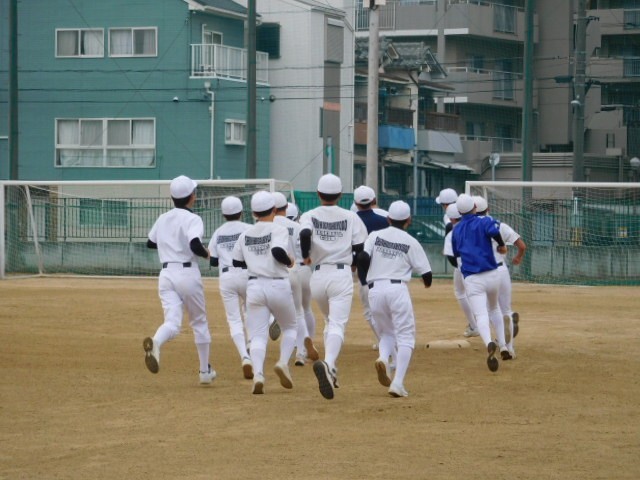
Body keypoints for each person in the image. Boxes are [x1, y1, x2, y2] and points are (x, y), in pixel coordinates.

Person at [299, 173, 368, 400]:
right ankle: (328, 364)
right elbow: (360, 247)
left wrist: (305, 255)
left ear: (318, 194)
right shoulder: (351, 216)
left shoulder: (309, 215)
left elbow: (305, 233)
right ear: (340, 195)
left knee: (329, 321)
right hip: (341, 273)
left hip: (318, 275)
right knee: (338, 324)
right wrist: (355, 264)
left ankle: (333, 370)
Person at [143, 175, 216, 385]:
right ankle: (204, 371)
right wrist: (207, 254)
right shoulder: (193, 219)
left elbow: (150, 242)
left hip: (166, 274)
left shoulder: (163, 217)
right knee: (199, 322)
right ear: (192, 197)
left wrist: (170, 244)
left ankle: (156, 342)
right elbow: (194, 245)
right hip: (187, 273)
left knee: (172, 322)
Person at [357, 201, 433, 398]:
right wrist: (426, 283)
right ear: (409, 220)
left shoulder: (375, 236)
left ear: (389, 219)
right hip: (397, 288)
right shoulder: (411, 242)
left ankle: (383, 357)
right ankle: (397, 383)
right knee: (406, 336)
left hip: (374, 289)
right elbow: (427, 275)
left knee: (386, 333)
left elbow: (363, 257)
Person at [232, 191, 298, 394]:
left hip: (254, 286)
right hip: (277, 283)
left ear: (253, 213)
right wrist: (289, 261)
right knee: (290, 327)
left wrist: (255, 262)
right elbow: (277, 252)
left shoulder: (245, 234)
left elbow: (236, 261)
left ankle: (259, 374)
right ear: (275, 210)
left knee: (258, 336)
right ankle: (283, 362)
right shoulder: (278, 229)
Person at [451, 193, 510, 373]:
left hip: (473, 278)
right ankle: (504, 346)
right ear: (475, 208)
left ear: (459, 212)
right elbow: (494, 232)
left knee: (481, 315)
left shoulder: (456, 230)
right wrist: (501, 245)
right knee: (494, 309)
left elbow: (456, 254)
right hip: (492, 274)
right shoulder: (484, 222)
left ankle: (489, 342)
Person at [473, 195, 526, 358]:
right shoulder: (499, 225)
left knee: (489, 310)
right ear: (488, 209)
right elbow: (522, 245)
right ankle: (510, 348)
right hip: (501, 270)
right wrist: (518, 257)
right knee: (505, 310)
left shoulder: (471, 228)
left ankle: (500, 340)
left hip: (483, 271)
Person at [208, 196, 253, 379]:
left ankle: (244, 356)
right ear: (241, 212)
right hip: (247, 274)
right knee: (251, 311)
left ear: (223, 214)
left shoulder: (218, 232)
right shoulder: (248, 228)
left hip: (226, 277)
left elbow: (213, 261)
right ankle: (251, 344)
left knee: (234, 320)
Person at [272, 192, 319, 366]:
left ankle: (273, 323)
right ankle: (302, 350)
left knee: (272, 306)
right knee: (304, 310)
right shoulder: (297, 227)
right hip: (302, 270)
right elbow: (310, 249)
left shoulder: (267, 226)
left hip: (278, 271)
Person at [353, 185, 389, 350]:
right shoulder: (384, 220)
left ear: (355, 203)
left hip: (365, 274)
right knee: (388, 309)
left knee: (370, 311)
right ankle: (390, 340)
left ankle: (384, 341)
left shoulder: (352, 221)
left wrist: (353, 264)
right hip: (386, 270)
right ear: (374, 200)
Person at [443, 203, 479, 337]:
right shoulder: (476, 227)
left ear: (452, 219)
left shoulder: (452, 233)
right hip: (482, 264)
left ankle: (474, 325)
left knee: (463, 294)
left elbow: (451, 257)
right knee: (482, 294)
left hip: (463, 267)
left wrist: (459, 267)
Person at [288, 202, 318, 360]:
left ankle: (296, 340)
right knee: (306, 309)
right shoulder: (301, 227)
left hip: (285, 271)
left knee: (288, 309)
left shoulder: (275, 227)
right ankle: (308, 341)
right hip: (304, 269)